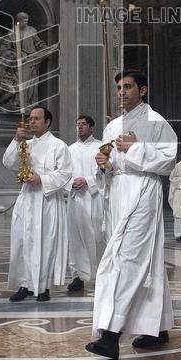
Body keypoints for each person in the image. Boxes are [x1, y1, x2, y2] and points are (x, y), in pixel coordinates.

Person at [86, 70, 177, 360]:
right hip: (118, 194)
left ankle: (111, 335)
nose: (121, 92)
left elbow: (168, 160)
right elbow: (111, 166)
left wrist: (134, 148)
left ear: (143, 89)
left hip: (142, 191)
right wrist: (104, 164)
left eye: (127, 87)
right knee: (144, 259)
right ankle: (156, 327)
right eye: (119, 88)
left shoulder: (157, 122)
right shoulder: (112, 127)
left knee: (127, 259)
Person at [3, 106, 72, 303]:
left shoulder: (59, 145)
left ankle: (43, 287)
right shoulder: (26, 144)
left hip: (47, 200)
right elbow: (8, 162)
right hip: (27, 198)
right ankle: (24, 285)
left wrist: (41, 178)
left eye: (36, 118)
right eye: (30, 119)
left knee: (46, 243)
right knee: (23, 241)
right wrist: (16, 139)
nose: (32, 122)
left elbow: (65, 173)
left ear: (47, 122)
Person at [65, 114, 105, 293]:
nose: (80, 127)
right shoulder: (69, 149)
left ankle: (101, 275)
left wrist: (88, 181)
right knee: (75, 238)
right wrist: (70, 183)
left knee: (96, 236)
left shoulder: (100, 147)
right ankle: (77, 276)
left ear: (91, 128)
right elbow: (63, 172)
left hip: (94, 198)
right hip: (75, 198)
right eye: (78, 124)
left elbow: (104, 172)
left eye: (83, 124)